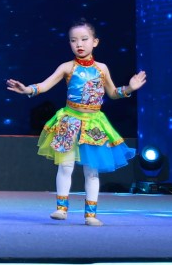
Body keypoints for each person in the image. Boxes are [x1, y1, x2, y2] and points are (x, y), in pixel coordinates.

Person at [7, 19, 144, 226]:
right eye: (73, 40)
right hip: (70, 121)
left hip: (94, 124)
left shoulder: (102, 68)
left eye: (84, 39)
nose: (79, 44)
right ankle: (61, 208)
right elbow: (44, 85)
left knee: (92, 170)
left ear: (95, 42)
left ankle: (91, 214)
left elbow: (113, 93)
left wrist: (129, 88)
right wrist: (27, 89)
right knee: (65, 166)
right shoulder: (67, 67)